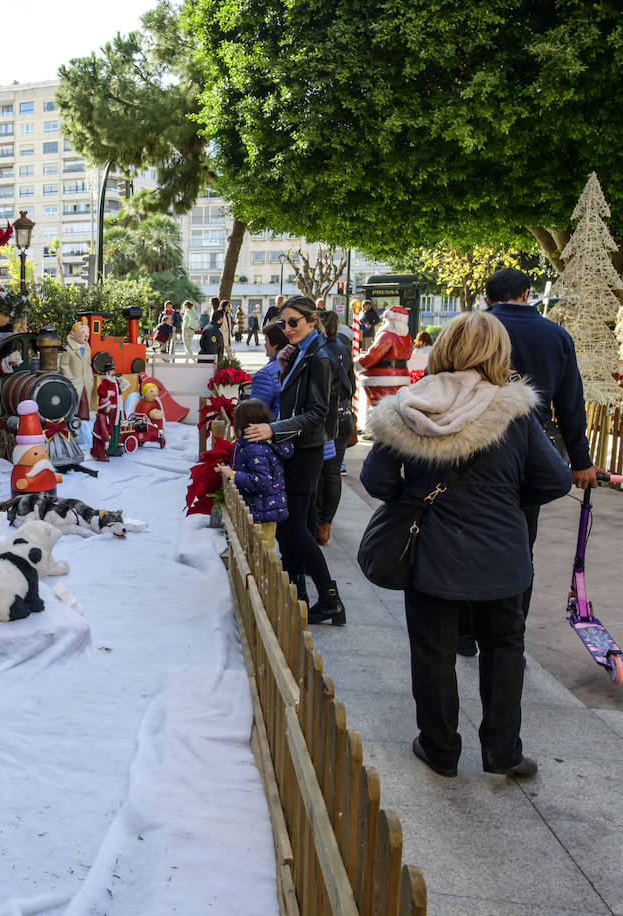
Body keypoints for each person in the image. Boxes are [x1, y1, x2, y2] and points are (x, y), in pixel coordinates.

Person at [360, 311, 571, 778]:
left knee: (432, 651)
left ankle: (439, 749)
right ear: (499, 353)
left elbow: (376, 480)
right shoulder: (513, 410)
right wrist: (509, 503)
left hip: (430, 553)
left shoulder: (408, 405)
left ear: (443, 349)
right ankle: (503, 753)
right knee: (504, 647)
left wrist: (415, 497)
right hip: (503, 553)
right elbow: (555, 480)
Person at [485, 265, 605, 621]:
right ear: (526, 294)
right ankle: (511, 627)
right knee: (522, 541)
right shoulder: (556, 335)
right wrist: (581, 461)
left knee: (470, 533)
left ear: (489, 299)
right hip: (530, 450)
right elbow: (571, 405)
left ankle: (465, 630)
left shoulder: (476, 328)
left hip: (476, 443)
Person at [242, 296, 344, 623]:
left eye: (293, 322)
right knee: (288, 528)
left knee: (295, 528)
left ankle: (329, 599)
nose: (287, 328)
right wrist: (285, 371)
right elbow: (295, 401)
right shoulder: (302, 352)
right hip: (297, 448)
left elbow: (316, 413)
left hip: (305, 450)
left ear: (312, 321)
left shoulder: (320, 356)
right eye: (283, 322)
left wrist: (273, 429)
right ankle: (298, 596)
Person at [219, 398, 292, 544]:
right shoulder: (253, 445)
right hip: (261, 509)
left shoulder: (256, 449)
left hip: (262, 514)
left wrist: (234, 475)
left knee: (260, 551)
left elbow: (262, 482)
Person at [315, 310, 356, 546]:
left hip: (326, 417)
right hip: (343, 414)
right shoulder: (343, 349)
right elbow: (351, 386)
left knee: (318, 470)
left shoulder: (319, 351)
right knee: (332, 472)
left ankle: (317, 518)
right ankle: (325, 524)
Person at [249, 322, 288, 417]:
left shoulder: (264, 375)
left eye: (266, 340)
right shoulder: (298, 363)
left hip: (273, 425)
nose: (265, 345)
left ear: (275, 345)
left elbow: (256, 415)